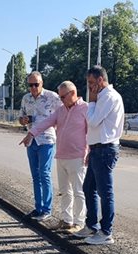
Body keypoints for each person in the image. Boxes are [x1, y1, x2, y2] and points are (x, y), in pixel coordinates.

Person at [20, 81, 88, 232]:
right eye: (60, 97)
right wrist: (31, 133)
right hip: (62, 155)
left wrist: (88, 152)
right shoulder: (61, 110)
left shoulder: (85, 108)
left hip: (78, 156)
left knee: (78, 191)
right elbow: (46, 122)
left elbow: (91, 132)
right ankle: (66, 220)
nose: (61, 100)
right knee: (65, 190)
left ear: (73, 93)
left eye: (63, 97)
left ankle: (79, 222)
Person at [74, 66, 124, 245]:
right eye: (88, 83)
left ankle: (106, 232)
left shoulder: (108, 97)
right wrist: (91, 149)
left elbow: (93, 121)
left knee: (105, 192)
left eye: (92, 83)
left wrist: (92, 101)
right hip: (97, 149)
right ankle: (92, 225)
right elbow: (93, 126)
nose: (89, 87)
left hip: (105, 149)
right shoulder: (102, 96)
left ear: (101, 80)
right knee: (89, 188)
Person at [18, 71, 61, 221]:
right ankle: (38, 207)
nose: (33, 88)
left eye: (36, 84)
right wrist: (23, 120)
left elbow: (62, 114)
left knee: (44, 173)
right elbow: (20, 117)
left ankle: (46, 209)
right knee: (35, 175)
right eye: (30, 85)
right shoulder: (26, 98)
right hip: (31, 140)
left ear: (42, 83)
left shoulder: (52, 97)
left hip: (46, 140)